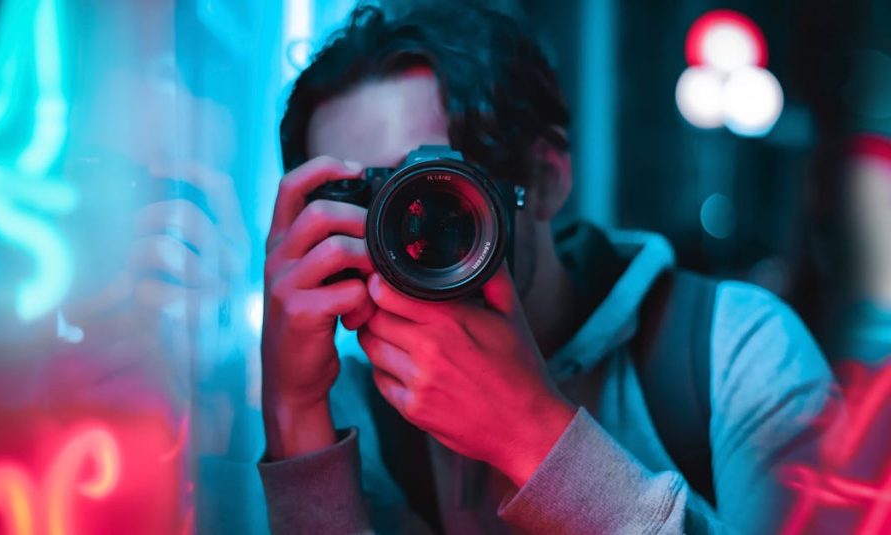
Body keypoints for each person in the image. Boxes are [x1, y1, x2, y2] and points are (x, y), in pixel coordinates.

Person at [258, 5, 834, 533]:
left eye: (434, 189)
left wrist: (529, 433)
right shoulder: (358, 406)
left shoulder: (731, 353)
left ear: (546, 180)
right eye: (364, 199)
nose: (405, 233)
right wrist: (295, 413)